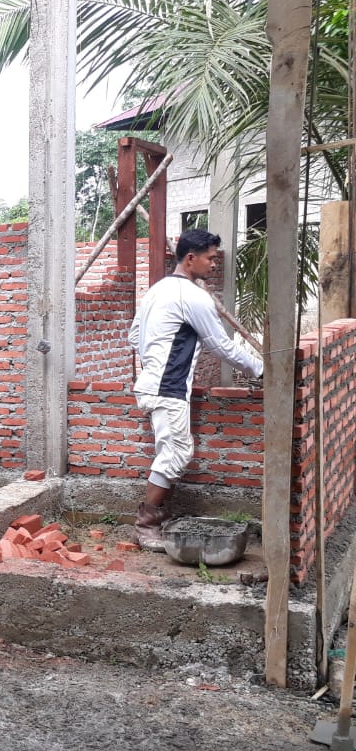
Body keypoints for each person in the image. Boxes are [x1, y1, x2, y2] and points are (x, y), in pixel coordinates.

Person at [128, 228, 263, 551]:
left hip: (155, 382)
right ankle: (147, 526)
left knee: (172, 452)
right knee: (175, 454)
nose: (214, 264)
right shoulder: (192, 296)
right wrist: (262, 369)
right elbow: (222, 346)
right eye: (210, 258)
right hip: (167, 387)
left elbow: (134, 335)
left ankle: (158, 519)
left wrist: (155, 359)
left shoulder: (157, 290)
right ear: (191, 258)